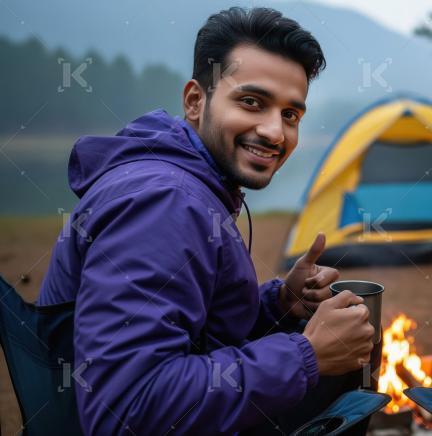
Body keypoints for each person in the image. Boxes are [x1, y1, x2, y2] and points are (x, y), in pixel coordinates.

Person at [38, 7, 375, 435]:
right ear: (196, 101)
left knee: (349, 335)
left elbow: (191, 331)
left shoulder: (187, 183)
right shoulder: (164, 204)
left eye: (291, 115)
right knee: (349, 358)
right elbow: (125, 409)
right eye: (252, 102)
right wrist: (304, 355)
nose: (275, 132)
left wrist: (279, 305)